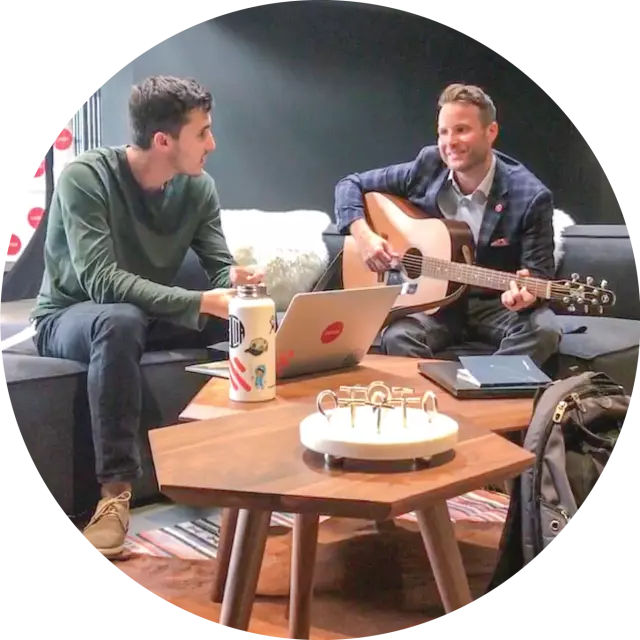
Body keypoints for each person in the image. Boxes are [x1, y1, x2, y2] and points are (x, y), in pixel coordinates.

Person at [30, 75, 264, 558]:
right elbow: (101, 282)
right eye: (202, 133)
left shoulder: (197, 189)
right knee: (120, 320)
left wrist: (241, 284)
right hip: (73, 316)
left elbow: (219, 267)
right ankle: (114, 499)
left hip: (145, 314)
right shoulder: (85, 178)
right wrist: (200, 301)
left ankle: (272, 468)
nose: (212, 144)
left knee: (257, 318)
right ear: (163, 140)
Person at [334, 82, 562, 366]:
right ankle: (431, 405)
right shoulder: (428, 166)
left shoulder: (529, 195)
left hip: (493, 304)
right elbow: (350, 184)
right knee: (399, 337)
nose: (449, 142)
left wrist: (527, 296)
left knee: (544, 331)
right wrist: (364, 236)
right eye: (443, 131)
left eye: (461, 130)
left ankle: (483, 386)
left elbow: (539, 276)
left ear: (490, 132)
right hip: (436, 305)